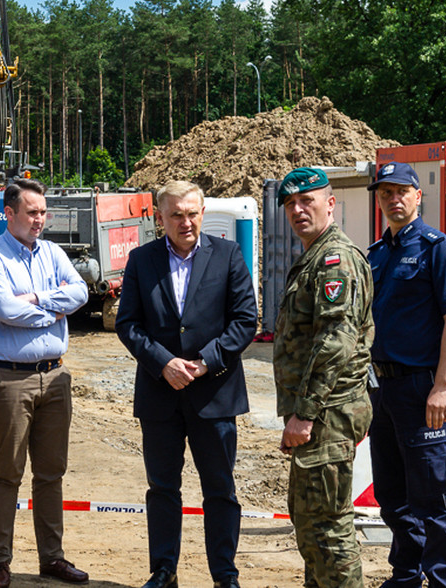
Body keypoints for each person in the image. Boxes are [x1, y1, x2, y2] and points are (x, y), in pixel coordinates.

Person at [115, 180, 259, 588]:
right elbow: (128, 325)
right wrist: (163, 364)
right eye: (175, 214)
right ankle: (164, 570)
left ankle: (224, 575)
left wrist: (204, 363)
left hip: (214, 394)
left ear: (203, 213)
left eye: (192, 213)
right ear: (160, 217)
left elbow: (246, 321)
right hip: (160, 396)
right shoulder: (142, 260)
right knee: (162, 488)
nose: (185, 222)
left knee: (220, 489)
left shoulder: (228, 255)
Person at [0, 178, 91, 588]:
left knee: (51, 473)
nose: (41, 219)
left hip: (54, 377)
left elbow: (79, 293)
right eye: (32, 212)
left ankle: (51, 558)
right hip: (8, 379)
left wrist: (37, 301)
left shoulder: (54, 252)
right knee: (7, 472)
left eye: (43, 212)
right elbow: (4, 311)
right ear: (10, 213)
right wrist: (53, 307)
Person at [366, 162, 446, 588]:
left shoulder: (438, 249)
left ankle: (445, 583)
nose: (393, 199)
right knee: (393, 497)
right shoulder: (376, 255)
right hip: (381, 389)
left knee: (434, 497)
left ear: (417, 196)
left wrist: (443, 387)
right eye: (385, 193)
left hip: (420, 388)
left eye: (401, 192)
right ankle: (407, 576)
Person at [272, 167, 374, 588]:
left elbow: (336, 340)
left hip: (327, 412)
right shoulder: (315, 255)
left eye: (307, 201)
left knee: (329, 528)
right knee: (310, 521)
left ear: (330, 203)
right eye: (290, 204)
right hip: (320, 413)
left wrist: (306, 414)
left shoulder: (336, 259)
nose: (298, 210)